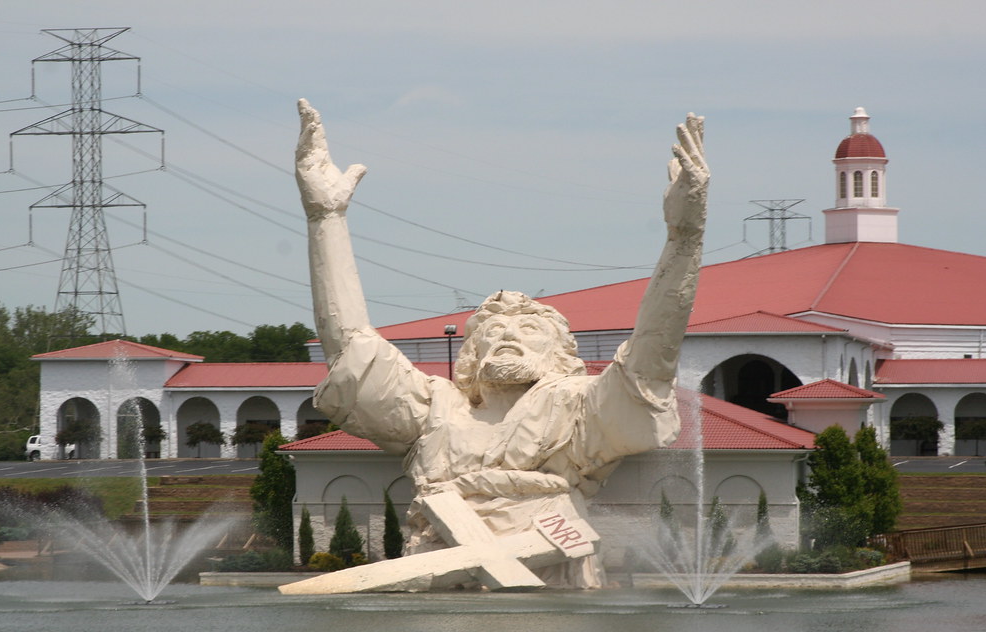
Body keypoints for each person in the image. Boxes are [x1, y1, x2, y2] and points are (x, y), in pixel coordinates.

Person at [296, 99, 708, 587]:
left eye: (529, 330)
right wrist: (326, 220)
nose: (508, 334)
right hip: (439, 590)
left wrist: (685, 236)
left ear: (560, 356)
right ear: (470, 354)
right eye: (492, 331)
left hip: (548, 586)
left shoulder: (578, 410)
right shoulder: (435, 409)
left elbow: (649, 359)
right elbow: (350, 347)